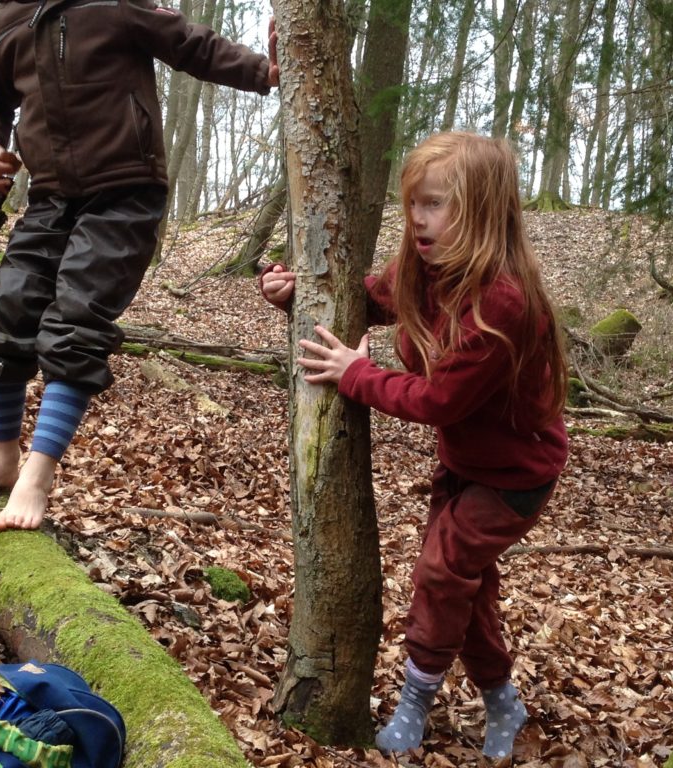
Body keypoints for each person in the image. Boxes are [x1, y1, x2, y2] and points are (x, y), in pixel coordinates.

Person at [260, 132, 568, 762]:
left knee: (439, 573)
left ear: (482, 212)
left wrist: (356, 375)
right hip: (464, 465)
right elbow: (374, 299)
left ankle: (415, 702)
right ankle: (503, 700)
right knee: (465, 588)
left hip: (514, 476)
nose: (419, 220)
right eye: (414, 205)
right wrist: (298, 295)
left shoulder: (502, 301)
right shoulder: (425, 267)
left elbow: (439, 402)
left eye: (436, 205)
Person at [0, 0, 279, 531]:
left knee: (75, 324)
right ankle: (4, 456)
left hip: (126, 192)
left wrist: (263, 71)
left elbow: (190, 43)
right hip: (49, 197)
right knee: (0, 320)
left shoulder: (114, 5)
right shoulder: (1, 23)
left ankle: (38, 474)